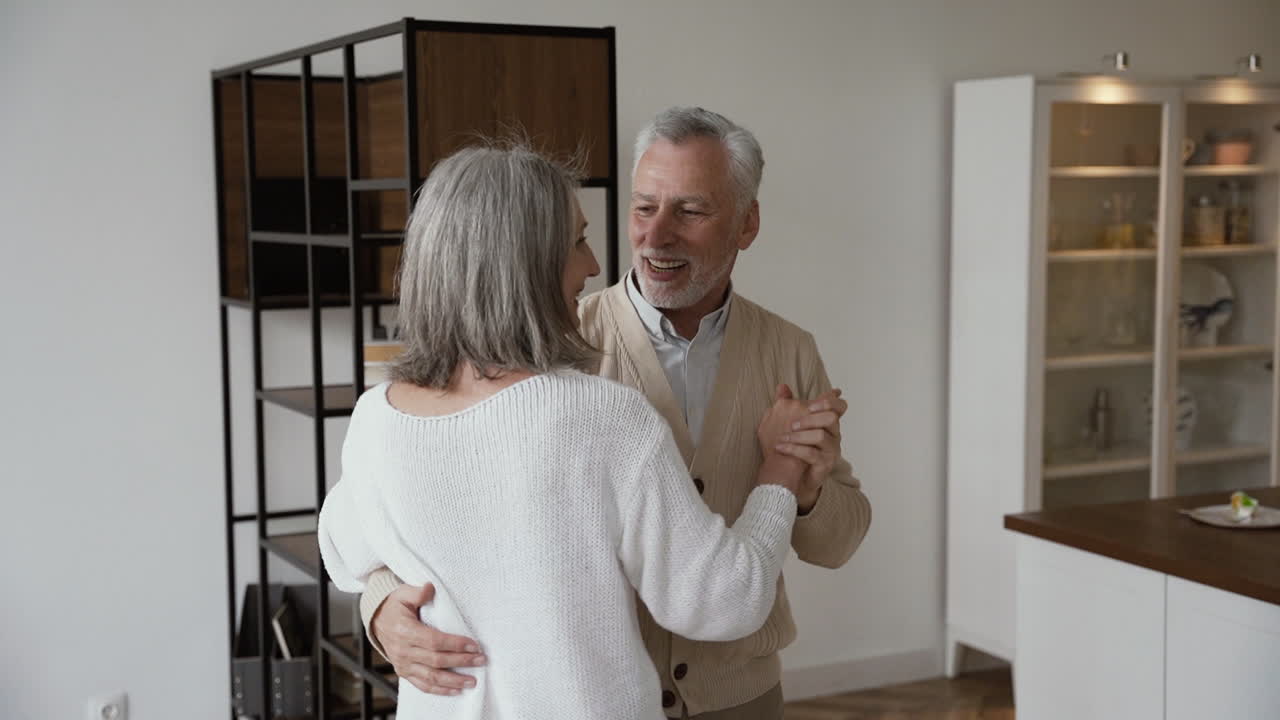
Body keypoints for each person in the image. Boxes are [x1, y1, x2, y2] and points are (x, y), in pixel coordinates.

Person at [361, 108, 874, 719]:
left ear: (746, 223)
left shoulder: (789, 351)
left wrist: (809, 489)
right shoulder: (544, 346)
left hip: (741, 699)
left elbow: (838, 543)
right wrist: (383, 608)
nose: (656, 235)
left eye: (690, 211)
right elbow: (390, 522)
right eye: (643, 207)